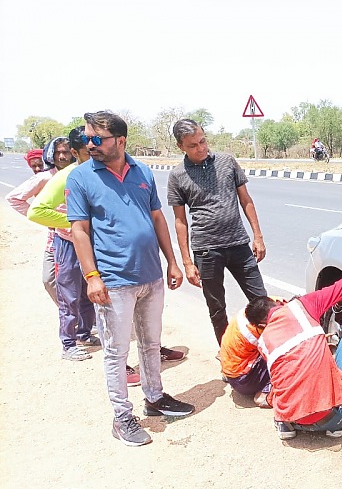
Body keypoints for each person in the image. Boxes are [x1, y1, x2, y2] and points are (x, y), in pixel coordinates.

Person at [66, 111, 194, 447]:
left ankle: (155, 398)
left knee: (152, 344)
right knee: (116, 352)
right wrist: (92, 277)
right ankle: (122, 417)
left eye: (98, 139)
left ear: (120, 141)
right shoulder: (81, 178)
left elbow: (157, 218)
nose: (90, 144)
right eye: (88, 138)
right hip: (113, 281)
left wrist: (173, 262)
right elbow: (79, 231)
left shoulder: (142, 172)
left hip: (151, 275)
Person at [167, 118, 267, 344]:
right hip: (206, 251)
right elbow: (180, 221)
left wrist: (257, 237)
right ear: (180, 147)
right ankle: (228, 357)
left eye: (202, 141)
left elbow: (246, 200)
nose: (201, 148)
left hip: (239, 244)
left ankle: (271, 351)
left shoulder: (227, 162)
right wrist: (187, 263)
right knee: (217, 308)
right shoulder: (177, 175)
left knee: (261, 301)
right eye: (193, 145)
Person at [258, 277, 342, 440]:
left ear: (262, 325)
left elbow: (292, 367)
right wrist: (339, 305)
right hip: (329, 417)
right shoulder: (302, 306)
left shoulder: (263, 341)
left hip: (289, 418)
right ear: (279, 304)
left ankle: (285, 426)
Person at [28, 128, 98, 362]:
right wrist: (72, 222)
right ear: (77, 152)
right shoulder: (67, 175)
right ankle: (68, 344)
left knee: (89, 293)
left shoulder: (99, 171)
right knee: (68, 294)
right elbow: (36, 211)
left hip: (92, 243)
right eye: (88, 151)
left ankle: (84, 334)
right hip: (68, 244)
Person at [6, 139, 75, 305]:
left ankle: (85, 319)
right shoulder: (45, 178)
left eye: (66, 152)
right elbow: (14, 199)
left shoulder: (82, 173)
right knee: (50, 279)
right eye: (58, 152)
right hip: (57, 236)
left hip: (83, 234)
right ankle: (67, 311)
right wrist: (48, 220)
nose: (62, 156)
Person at [217, 296, 277, 407]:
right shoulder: (257, 334)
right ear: (262, 325)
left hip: (231, 367)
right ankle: (265, 394)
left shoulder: (253, 310)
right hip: (243, 380)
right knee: (282, 357)